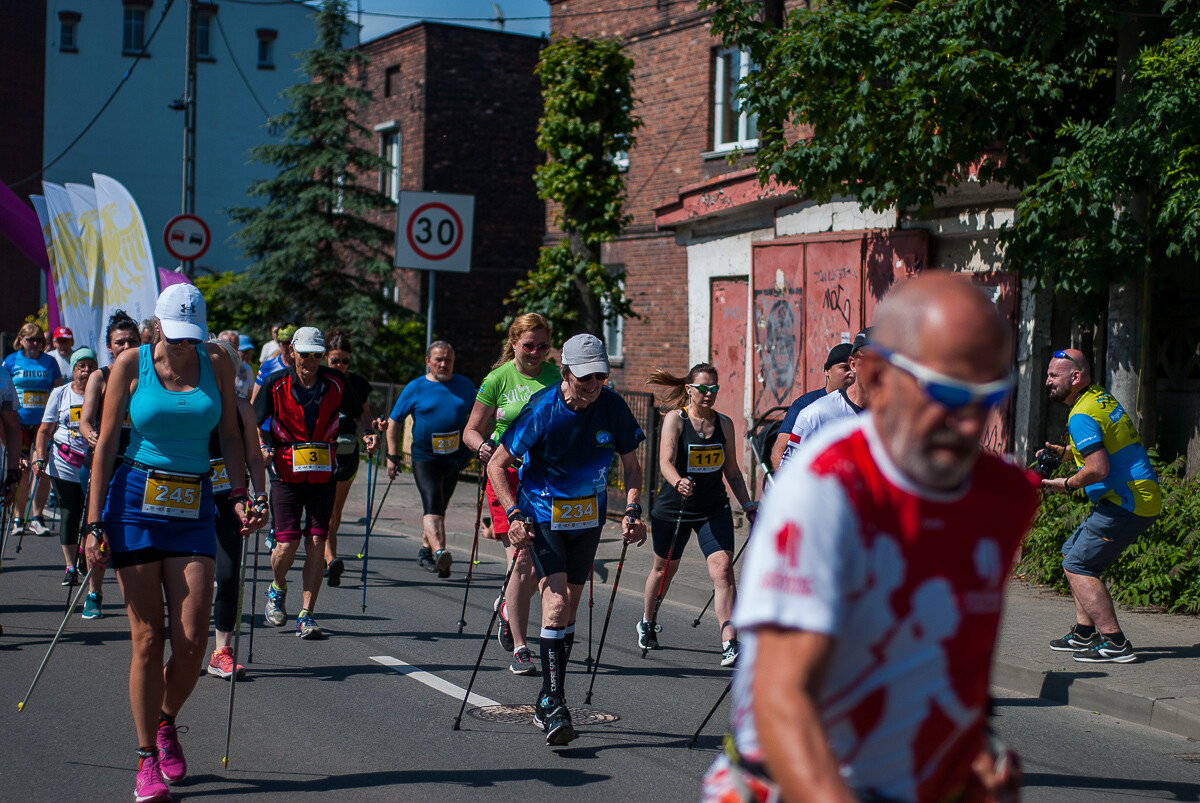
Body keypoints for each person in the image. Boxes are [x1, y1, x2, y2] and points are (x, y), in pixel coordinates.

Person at [702, 272, 1032, 803]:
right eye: (946, 392)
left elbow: (948, 657)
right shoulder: (829, 486)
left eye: (989, 394)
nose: (969, 424)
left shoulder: (1008, 496)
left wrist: (974, 755)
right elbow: (782, 699)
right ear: (878, 376)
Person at [84, 283, 266, 803]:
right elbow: (107, 445)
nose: (183, 344)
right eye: (174, 334)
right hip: (135, 501)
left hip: (193, 506)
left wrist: (239, 494)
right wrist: (93, 524)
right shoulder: (129, 365)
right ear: (156, 325)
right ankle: (145, 758)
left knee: (190, 644)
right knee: (148, 638)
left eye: (193, 336)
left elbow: (231, 435)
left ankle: (166, 722)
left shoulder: (218, 363)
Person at [487, 333, 647, 746]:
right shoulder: (542, 410)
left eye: (599, 375)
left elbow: (631, 467)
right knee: (555, 602)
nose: (593, 384)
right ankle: (552, 701)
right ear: (565, 372)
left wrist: (632, 510)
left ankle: (551, 695)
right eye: (584, 377)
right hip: (542, 515)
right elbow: (498, 466)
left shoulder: (611, 406)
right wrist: (513, 513)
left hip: (587, 519)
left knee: (569, 608)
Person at [1040, 348, 1161, 663]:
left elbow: (1097, 468)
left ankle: (1115, 642)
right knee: (1073, 552)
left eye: (1054, 375)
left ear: (1075, 377)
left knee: (1077, 564)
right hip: (1134, 494)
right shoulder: (1096, 398)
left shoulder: (1081, 414)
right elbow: (1103, 445)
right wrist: (1066, 453)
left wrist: (1065, 484)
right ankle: (1084, 633)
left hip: (1128, 500)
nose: (1047, 381)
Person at [255, 327, 376, 638]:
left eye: (317, 355)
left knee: (317, 542)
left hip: (324, 472)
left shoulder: (336, 382)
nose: (310, 360)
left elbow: (358, 413)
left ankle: (306, 614)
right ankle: (278, 587)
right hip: (285, 472)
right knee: (287, 542)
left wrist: (368, 433)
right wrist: (263, 446)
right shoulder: (275, 383)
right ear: (292, 351)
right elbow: (255, 422)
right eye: (305, 353)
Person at [462, 313, 561, 676]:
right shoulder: (498, 378)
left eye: (542, 346)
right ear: (515, 344)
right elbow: (471, 430)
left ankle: (507, 605)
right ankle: (521, 647)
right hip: (508, 476)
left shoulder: (556, 377)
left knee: (534, 567)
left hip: (549, 479)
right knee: (521, 560)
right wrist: (484, 447)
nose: (535, 352)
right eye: (528, 345)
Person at [639, 363, 756, 666]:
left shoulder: (724, 424)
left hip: (711, 508)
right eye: (703, 388)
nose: (708, 394)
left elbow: (731, 470)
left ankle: (730, 641)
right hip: (674, 507)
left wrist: (747, 505)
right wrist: (678, 480)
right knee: (665, 568)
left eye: (714, 388)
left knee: (723, 569)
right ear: (689, 390)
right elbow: (664, 461)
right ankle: (648, 621)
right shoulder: (675, 420)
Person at [206, 337, 269, 678]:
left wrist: (260, 496)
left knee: (229, 574)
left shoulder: (242, 408)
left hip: (231, 500)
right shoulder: (189, 404)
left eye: (226, 369)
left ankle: (221, 651)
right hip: (185, 501)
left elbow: (254, 457)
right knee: (189, 577)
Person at [386, 341, 475, 578]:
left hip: (455, 457)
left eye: (448, 360)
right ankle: (440, 553)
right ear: (428, 361)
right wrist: (392, 456)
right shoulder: (415, 387)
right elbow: (394, 421)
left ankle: (425, 551)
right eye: (438, 360)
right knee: (433, 499)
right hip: (425, 457)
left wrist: (473, 446)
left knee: (439, 506)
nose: (444, 364)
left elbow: (480, 415)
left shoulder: (465, 386)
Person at [77, 310, 143, 619]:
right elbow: (85, 420)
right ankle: (95, 592)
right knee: (98, 528)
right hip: (102, 463)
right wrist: (93, 436)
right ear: (109, 346)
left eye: (132, 341)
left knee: (128, 531)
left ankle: (137, 596)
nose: (126, 346)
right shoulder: (100, 376)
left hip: (136, 464)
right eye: (120, 342)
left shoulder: (147, 377)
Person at [33, 346, 97, 586]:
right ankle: (70, 566)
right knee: (70, 513)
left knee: (90, 514)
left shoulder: (103, 393)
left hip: (92, 464)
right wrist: (40, 456)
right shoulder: (60, 393)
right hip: (64, 463)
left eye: (91, 366)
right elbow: (44, 431)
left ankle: (83, 551)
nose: (87, 371)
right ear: (73, 370)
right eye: (82, 366)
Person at [777, 329, 872, 467]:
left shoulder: (899, 416)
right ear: (853, 364)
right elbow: (787, 468)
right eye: (872, 360)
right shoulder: (812, 413)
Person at [323, 331, 373, 587]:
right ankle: (331, 559)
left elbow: (364, 416)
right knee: (328, 511)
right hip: (321, 454)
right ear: (326, 358)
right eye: (335, 360)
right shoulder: (320, 382)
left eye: (345, 361)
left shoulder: (358, 384)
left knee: (336, 512)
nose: (340, 366)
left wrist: (370, 434)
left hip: (348, 453)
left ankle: (326, 553)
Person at [4, 321, 62, 535]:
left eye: (39, 339)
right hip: (18, 423)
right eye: (31, 339)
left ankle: (37, 516)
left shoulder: (50, 362)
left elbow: (57, 392)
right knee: (22, 470)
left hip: (43, 425)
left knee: (41, 468)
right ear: (21, 340)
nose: (35, 343)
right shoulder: (11, 361)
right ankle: (19, 517)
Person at [769, 343, 854, 469]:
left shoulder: (862, 406)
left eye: (854, 369)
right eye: (845, 368)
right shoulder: (806, 406)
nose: (852, 374)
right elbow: (780, 452)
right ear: (827, 371)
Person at [251, 322, 295, 400]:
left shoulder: (305, 367)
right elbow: (255, 400)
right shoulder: (268, 366)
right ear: (279, 344)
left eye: (293, 343)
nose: (290, 347)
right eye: (286, 343)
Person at [219, 330, 254, 399]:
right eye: (229, 345)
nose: (233, 349)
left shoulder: (247, 369)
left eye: (235, 346)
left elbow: (250, 396)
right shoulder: (212, 368)